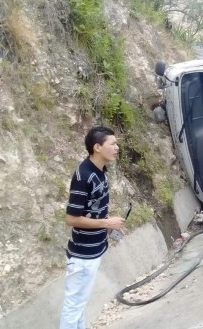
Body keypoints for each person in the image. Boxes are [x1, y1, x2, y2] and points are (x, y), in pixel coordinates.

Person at [59, 126, 124, 329]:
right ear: (97, 147)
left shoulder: (101, 173)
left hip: (93, 251)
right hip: (82, 257)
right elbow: (72, 218)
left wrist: (109, 226)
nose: (117, 147)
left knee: (78, 305)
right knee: (73, 307)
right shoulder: (83, 176)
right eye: (112, 144)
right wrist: (106, 222)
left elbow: (92, 210)